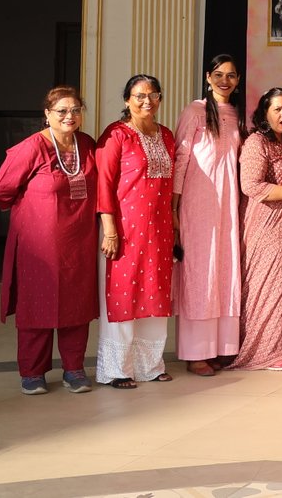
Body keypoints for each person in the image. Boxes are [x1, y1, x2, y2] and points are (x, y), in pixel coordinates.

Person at [0, 86, 100, 394]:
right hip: (38, 244)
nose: (69, 116)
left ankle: (74, 369)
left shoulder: (86, 144)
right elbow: (0, 188)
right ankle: (32, 372)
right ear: (47, 114)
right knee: (35, 305)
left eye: (75, 110)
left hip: (79, 240)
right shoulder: (32, 147)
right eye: (62, 111)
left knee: (76, 306)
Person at [94, 74, 176, 388]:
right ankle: (118, 369)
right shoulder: (116, 135)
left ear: (160, 99)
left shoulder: (166, 135)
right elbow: (104, 184)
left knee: (155, 294)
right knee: (123, 296)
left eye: (153, 95)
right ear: (127, 100)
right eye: (139, 95)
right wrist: (109, 231)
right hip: (124, 231)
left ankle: (150, 366)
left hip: (159, 231)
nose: (146, 101)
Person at [171, 53, 247, 377]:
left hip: (228, 202)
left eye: (231, 75)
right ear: (207, 77)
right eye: (218, 75)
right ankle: (196, 353)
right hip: (197, 200)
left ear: (238, 81)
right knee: (201, 272)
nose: (224, 81)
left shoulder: (237, 114)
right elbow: (181, 157)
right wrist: (174, 206)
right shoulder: (195, 111)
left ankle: (220, 348)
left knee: (224, 268)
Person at [229, 87, 282, 372]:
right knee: (267, 286)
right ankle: (264, 351)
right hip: (263, 223)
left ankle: (281, 347)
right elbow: (250, 185)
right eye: (277, 109)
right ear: (264, 113)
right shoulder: (257, 142)